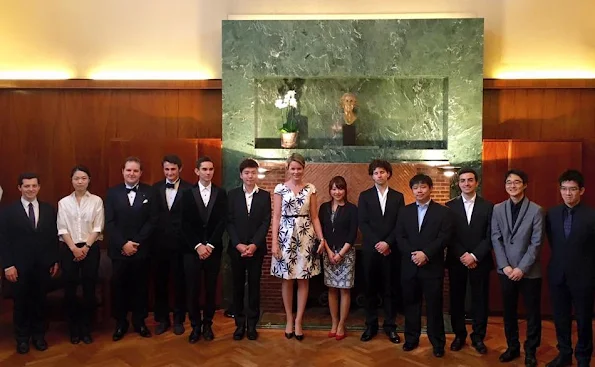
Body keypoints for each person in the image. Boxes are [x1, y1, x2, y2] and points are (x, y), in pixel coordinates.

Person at [0, 173, 59, 354]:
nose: (31, 189)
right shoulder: (8, 212)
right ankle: (22, 339)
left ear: (39, 187)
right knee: (21, 304)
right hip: (18, 267)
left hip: (42, 266)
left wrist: (54, 259)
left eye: (34, 186)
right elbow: (3, 240)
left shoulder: (49, 209)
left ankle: (39, 336)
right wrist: (7, 265)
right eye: (27, 186)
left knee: (40, 302)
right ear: (19, 188)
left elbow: (53, 238)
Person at [492, 169, 544, 367]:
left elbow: (536, 243)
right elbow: (495, 238)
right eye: (508, 182)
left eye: (516, 182)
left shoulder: (536, 210)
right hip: (505, 271)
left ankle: (530, 350)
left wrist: (521, 268)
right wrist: (504, 266)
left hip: (529, 271)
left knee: (532, 313)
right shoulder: (497, 209)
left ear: (525, 185)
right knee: (509, 311)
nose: (512, 186)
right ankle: (512, 347)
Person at [395, 174, 451, 358]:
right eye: (416, 187)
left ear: (430, 188)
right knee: (411, 305)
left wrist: (426, 254)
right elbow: (400, 237)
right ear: (412, 190)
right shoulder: (404, 211)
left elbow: (443, 237)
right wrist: (414, 254)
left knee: (435, 307)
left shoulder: (443, 212)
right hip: (410, 266)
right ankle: (411, 339)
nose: (419, 190)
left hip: (432, 266)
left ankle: (437, 343)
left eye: (423, 187)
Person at [270, 153, 325, 341]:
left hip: (306, 236)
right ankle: (289, 319)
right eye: (292, 168)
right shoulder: (280, 189)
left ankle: (299, 320)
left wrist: (321, 238)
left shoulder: (311, 189)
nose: (296, 171)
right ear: (288, 168)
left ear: (304, 168)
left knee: (303, 279)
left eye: (299, 168)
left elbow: (315, 216)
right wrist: (274, 242)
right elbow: (276, 217)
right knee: (287, 279)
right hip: (285, 237)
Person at [545, 170, 595, 367]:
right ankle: (564, 354)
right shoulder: (551, 213)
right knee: (560, 318)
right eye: (564, 189)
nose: (568, 193)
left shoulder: (592, 215)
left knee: (583, 319)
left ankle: (583, 357)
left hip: (584, 276)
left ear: (581, 190)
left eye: (572, 189)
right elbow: (553, 242)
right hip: (558, 274)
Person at [105, 157, 155, 341]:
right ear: (123, 172)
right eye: (128, 170)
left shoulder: (150, 192)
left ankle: (139, 322)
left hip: (141, 250)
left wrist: (136, 242)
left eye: (135, 171)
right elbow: (109, 222)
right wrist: (123, 244)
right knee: (119, 288)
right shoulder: (112, 193)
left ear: (141, 173)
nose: (132, 174)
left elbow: (152, 220)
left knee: (141, 288)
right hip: (119, 251)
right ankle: (120, 323)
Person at [446, 168, 494, 355]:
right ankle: (459, 335)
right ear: (458, 184)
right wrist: (463, 255)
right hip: (457, 260)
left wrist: (474, 256)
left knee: (480, 300)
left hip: (480, 261)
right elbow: (448, 235)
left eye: (470, 180)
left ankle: (478, 337)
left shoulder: (489, 206)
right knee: (456, 300)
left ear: (477, 183)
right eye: (463, 180)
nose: (466, 183)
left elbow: (490, 236)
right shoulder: (449, 206)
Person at [181, 156, 227, 343]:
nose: (208, 172)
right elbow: (183, 223)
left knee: (210, 290)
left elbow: (222, 221)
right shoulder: (186, 193)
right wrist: (198, 246)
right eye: (204, 169)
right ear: (196, 171)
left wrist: (210, 245)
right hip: (191, 250)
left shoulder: (221, 193)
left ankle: (207, 324)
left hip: (213, 250)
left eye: (211, 169)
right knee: (192, 290)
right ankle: (195, 326)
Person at [358, 159, 404, 343]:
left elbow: (400, 224)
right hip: (370, 250)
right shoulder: (365, 196)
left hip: (391, 251)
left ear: (388, 174)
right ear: (372, 176)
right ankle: (371, 325)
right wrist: (378, 243)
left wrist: (388, 243)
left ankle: (390, 326)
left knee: (390, 290)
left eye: (382, 172)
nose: (379, 175)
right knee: (370, 289)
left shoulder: (398, 196)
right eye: (376, 173)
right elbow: (363, 223)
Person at [57, 165, 104, 345]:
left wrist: (85, 248)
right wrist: (74, 249)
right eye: (77, 178)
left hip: (90, 249)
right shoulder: (63, 202)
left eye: (83, 178)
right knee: (70, 289)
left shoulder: (96, 201)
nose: (80, 181)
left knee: (89, 289)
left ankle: (86, 328)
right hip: (69, 249)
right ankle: (73, 328)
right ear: (72, 181)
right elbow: (62, 228)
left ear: (89, 180)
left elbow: (98, 227)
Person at [227, 159, 271, 341]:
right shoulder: (232, 195)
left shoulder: (265, 196)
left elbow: (265, 222)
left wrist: (254, 245)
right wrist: (238, 244)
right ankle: (239, 325)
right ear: (241, 175)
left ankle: (252, 325)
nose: (250, 176)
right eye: (246, 173)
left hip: (256, 250)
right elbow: (228, 221)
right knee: (237, 287)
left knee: (254, 287)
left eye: (253, 173)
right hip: (236, 249)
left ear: (257, 174)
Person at [151, 155, 192, 336]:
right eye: (166, 169)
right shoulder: (155, 188)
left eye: (173, 169)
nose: (169, 173)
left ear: (180, 169)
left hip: (181, 246)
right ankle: (162, 320)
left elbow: (191, 220)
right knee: (160, 284)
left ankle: (178, 320)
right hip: (158, 246)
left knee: (179, 284)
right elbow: (152, 217)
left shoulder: (190, 189)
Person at [319, 176, 357, 341]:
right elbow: (321, 231)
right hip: (328, 253)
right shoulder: (324, 207)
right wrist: (328, 251)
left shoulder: (352, 209)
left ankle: (342, 323)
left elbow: (352, 233)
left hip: (346, 254)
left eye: (340, 188)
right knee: (332, 289)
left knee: (345, 289)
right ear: (330, 190)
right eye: (334, 189)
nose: (337, 192)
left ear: (345, 190)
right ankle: (334, 322)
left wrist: (341, 253)